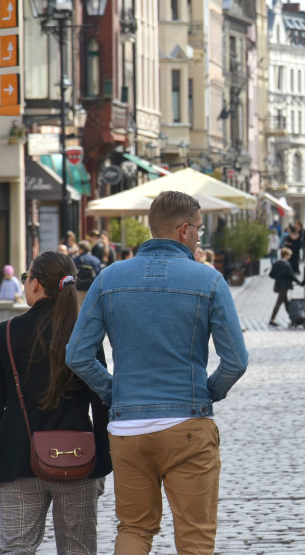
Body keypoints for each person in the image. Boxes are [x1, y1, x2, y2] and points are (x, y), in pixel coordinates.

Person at [66, 190, 249, 554]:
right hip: (187, 424)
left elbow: (77, 355)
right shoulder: (209, 281)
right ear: (184, 230)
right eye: (198, 229)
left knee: (133, 528)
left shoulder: (109, 278)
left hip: (128, 428)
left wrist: (112, 391)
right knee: (195, 535)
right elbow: (235, 361)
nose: (199, 236)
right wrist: (208, 391)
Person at [0, 251, 111, 553]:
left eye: (26, 279)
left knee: (16, 547)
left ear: (35, 284)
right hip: (78, 455)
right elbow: (102, 400)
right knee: (78, 548)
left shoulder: (6, 333)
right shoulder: (84, 334)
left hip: (18, 457)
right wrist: (102, 459)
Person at [268, 248, 298, 326]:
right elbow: (291, 275)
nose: (289, 257)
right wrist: (299, 282)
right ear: (286, 255)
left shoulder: (276, 263)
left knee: (286, 303)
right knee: (279, 302)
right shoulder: (286, 264)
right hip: (285, 286)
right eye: (289, 255)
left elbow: (271, 274)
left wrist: (278, 277)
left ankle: (293, 319)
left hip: (278, 285)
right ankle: (272, 319)